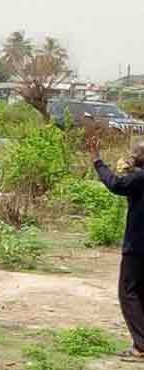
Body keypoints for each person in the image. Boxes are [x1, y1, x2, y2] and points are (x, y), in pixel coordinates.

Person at [88, 134, 144, 359]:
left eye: (135, 154)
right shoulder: (138, 177)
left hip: (138, 245)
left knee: (128, 293)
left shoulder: (139, 178)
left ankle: (140, 346)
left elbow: (115, 184)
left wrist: (97, 161)